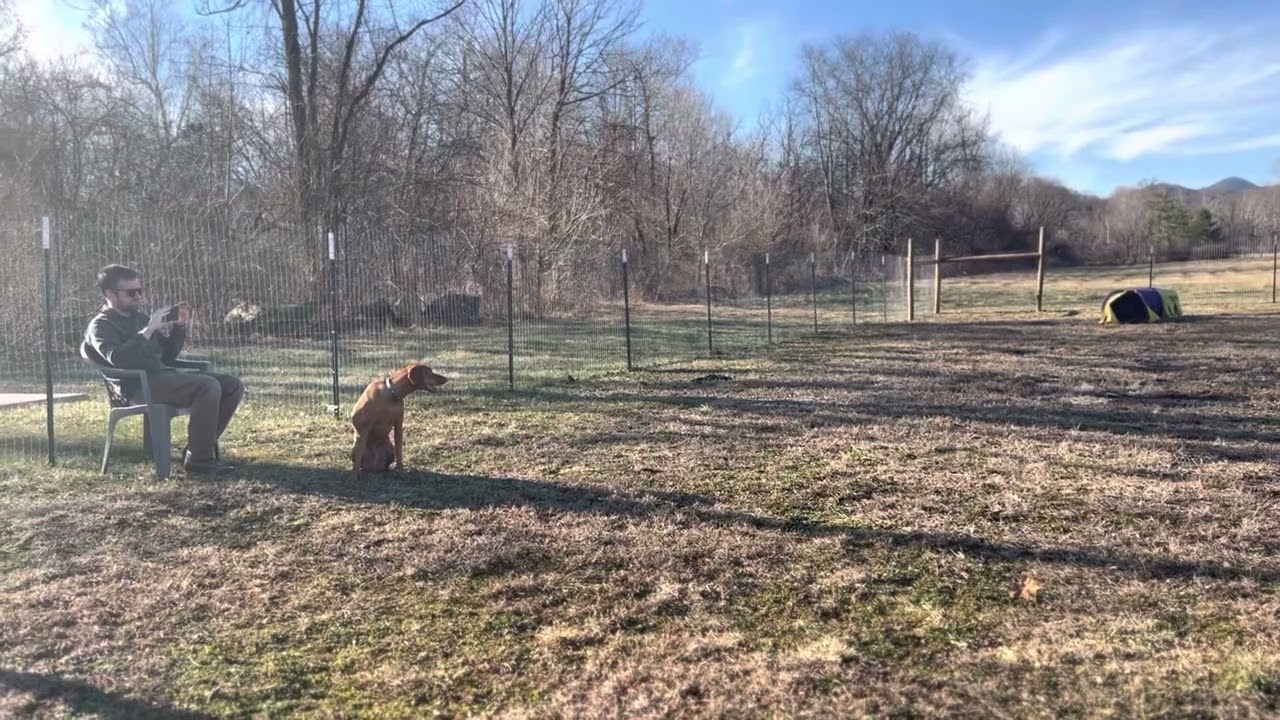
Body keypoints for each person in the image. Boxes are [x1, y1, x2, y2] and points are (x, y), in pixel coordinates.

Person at [85, 264, 243, 475]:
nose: (138, 296)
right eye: (131, 292)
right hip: (135, 388)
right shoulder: (101, 326)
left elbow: (167, 356)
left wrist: (179, 326)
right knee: (207, 386)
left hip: (162, 379)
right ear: (110, 294)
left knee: (232, 385)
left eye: (140, 290)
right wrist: (148, 330)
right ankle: (200, 459)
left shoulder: (139, 318)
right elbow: (118, 358)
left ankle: (197, 449)